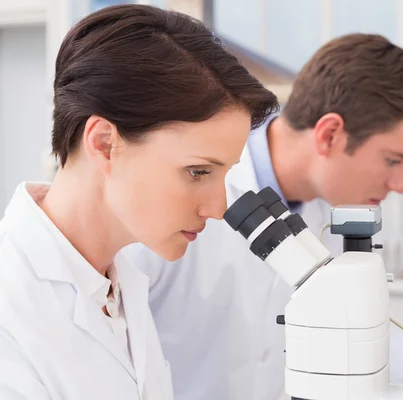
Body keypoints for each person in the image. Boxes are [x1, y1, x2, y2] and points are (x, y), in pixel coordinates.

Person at [121, 33, 403, 400]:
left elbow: (349, 334)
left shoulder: (335, 217)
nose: (400, 184)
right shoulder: (181, 194)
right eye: (393, 160)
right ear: (330, 135)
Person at [0, 4, 278, 400]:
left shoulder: (119, 284)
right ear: (103, 143)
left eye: (225, 174)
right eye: (198, 172)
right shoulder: (11, 309)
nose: (218, 209)